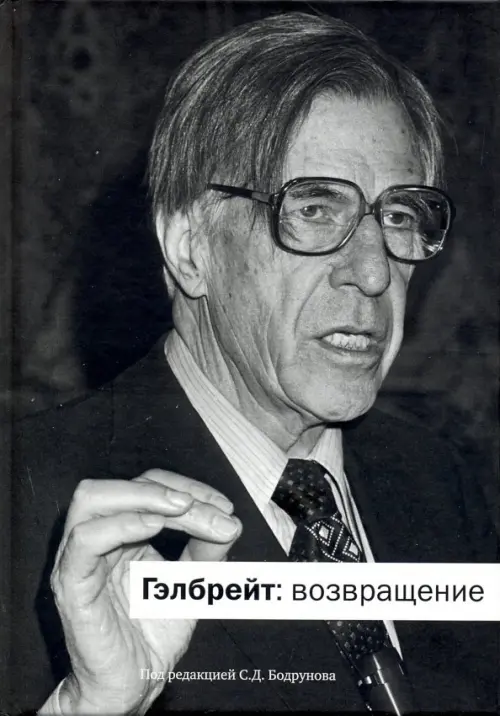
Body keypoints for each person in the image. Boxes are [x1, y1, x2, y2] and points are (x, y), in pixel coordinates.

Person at [11, 12, 497, 715]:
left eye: (398, 216)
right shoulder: (25, 502)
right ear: (189, 248)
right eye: (314, 209)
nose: (372, 273)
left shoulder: (438, 482)